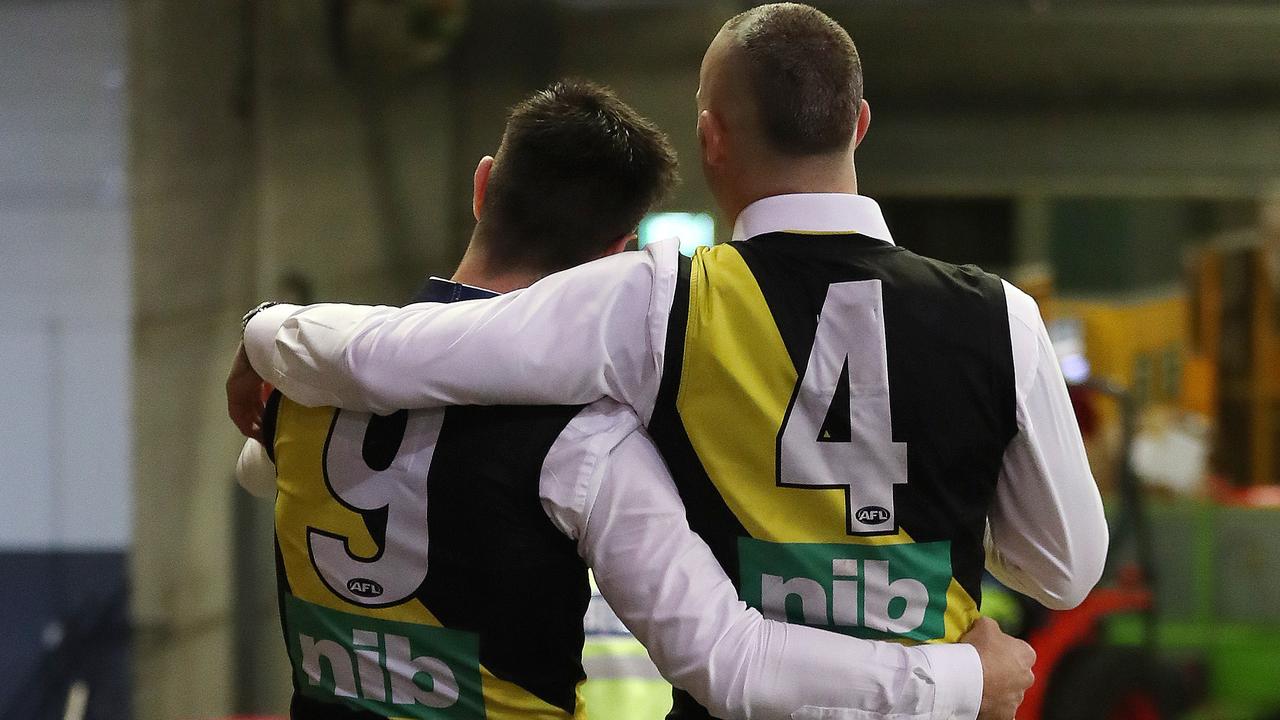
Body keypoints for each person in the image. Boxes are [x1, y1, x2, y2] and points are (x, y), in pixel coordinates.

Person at [231, 79, 1031, 720]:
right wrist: (960, 680)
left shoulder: (303, 391)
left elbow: (263, 472)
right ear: (614, 255)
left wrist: (267, 329)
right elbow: (731, 663)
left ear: (483, 188)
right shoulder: (588, 444)